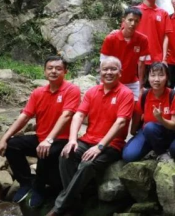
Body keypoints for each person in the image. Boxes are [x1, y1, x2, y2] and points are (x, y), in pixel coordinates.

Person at [47, 57, 133, 216]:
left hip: (111, 145)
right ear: (100, 71)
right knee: (65, 155)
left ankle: (59, 207)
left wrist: (100, 146)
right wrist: (72, 140)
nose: (108, 72)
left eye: (113, 69)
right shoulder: (92, 92)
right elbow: (79, 115)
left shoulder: (126, 93)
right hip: (88, 140)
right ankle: (74, 202)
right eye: (105, 69)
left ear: (120, 73)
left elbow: (121, 122)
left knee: (87, 165)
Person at [0, 56, 80, 208]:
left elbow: (66, 115)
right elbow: (25, 116)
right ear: (44, 71)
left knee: (46, 151)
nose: (53, 71)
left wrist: (49, 139)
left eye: (58, 68)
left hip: (61, 140)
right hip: (41, 138)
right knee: (13, 145)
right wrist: (4, 138)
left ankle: (39, 188)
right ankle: (26, 182)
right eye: (50, 68)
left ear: (65, 72)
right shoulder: (38, 92)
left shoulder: (71, 90)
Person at [122, 62, 175, 162]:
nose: (156, 79)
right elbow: (137, 115)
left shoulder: (173, 95)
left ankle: (161, 153)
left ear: (167, 77)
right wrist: (133, 131)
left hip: (167, 133)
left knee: (150, 127)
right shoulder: (145, 95)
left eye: (161, 75)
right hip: (147, 132)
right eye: (153, 75)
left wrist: (161, 119)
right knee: (128, 156)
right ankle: (152, 146)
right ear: (148, 77)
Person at [100, 7, 150, 98]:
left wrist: (140, 86)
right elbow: (103, 63)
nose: (133, 23)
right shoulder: (110, 39)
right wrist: (105, 82)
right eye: (130, 20)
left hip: (132, 82)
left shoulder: (143, 40)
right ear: (123, 20)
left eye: (136, 21)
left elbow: (141, 65)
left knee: (137, 104)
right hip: (111, 80)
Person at [135, 0, 173, 65]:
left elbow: (166, 37)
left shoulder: (163, 13)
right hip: (136, 58)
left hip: (156, 59)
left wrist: (164, 59)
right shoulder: (135, 11)